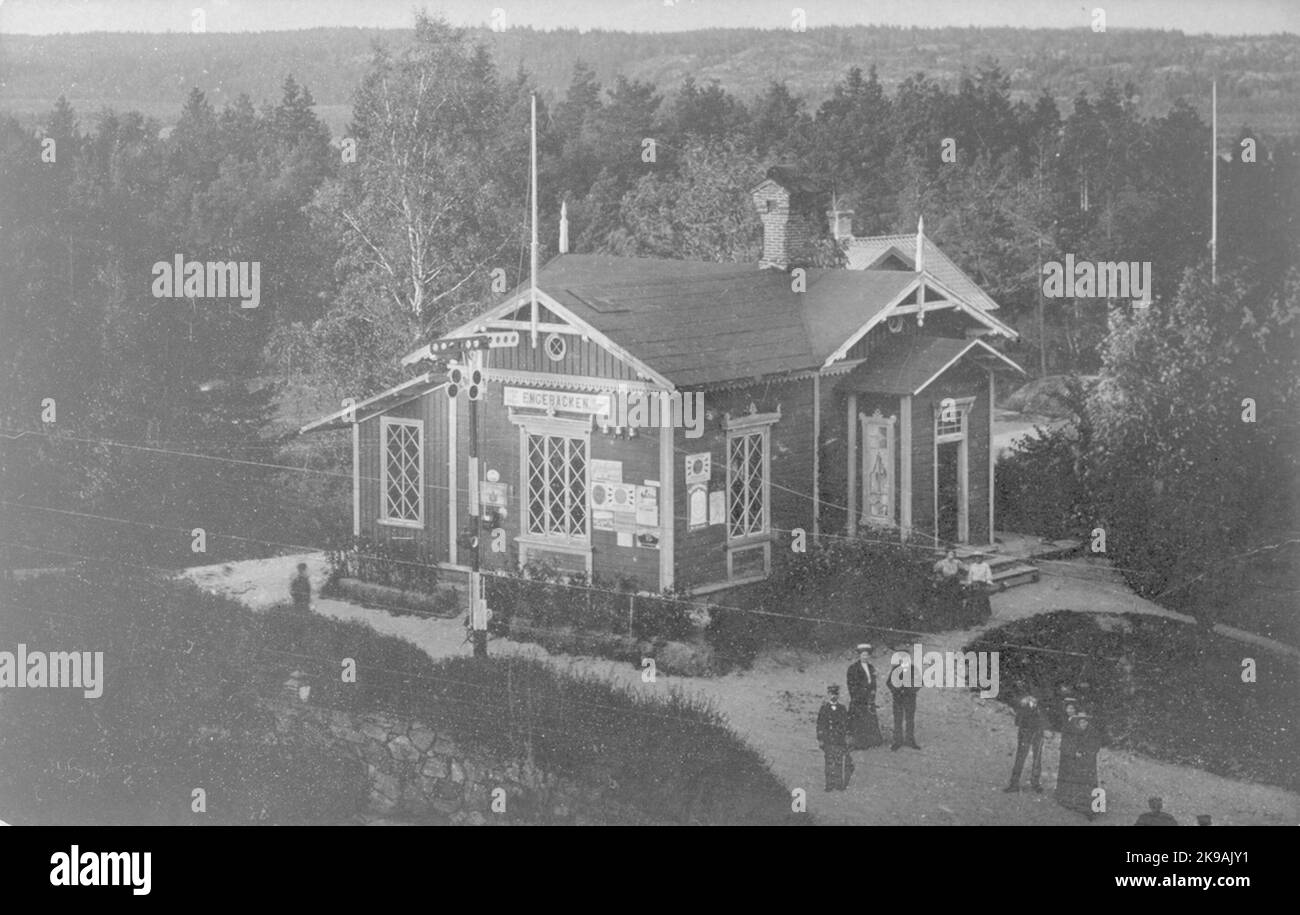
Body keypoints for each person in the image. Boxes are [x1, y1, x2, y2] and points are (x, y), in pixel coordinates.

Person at [1056, 710, 1102, 819]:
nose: (1083, 724)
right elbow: (1067, 745)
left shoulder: (1093, 732)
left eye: (1085, 722)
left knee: (1089, 785)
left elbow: (1096, 746)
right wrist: (1074, 753)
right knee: (1076, 783)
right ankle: (1076, 804)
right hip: (1077, 763)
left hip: (1088, 763)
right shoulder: (1074, 731)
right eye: (1081, 722)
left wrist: (1086, 753)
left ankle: (1091, 809)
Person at [1004, 691, 1047, 793]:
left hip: (1038, 729)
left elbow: (1048, 699)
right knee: (1020, 757)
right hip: (1025, 729)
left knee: (1037, 758)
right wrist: (1023, 699)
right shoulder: (1023, 684)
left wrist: (1036, 700)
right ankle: (1014, 783)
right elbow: (1012, 698)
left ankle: (1035, 783)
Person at [846, 644, 884, 750]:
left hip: (869, 698)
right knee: (858, 720)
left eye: (867, 655)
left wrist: (872, 693)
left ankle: (871, 741)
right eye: (863, 655)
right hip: (858, 698)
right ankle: (859, 742)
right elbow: (851, 684)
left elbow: (873, 683)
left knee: (869, 718)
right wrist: (858, 695)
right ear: (859, 655)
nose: (865, 657)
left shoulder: (871, 668)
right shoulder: (853, 668)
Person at [816, 685, 854, 791]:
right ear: (828, 695)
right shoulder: (824, 709)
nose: (833, 696)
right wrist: (820, 739)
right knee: (828, 762)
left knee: (838, 762)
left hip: (839, 740)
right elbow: (820, 725)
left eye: (835, 694)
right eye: (831, 694)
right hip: (828, 740)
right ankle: (829, 784)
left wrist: (847, 737)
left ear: (838, 695)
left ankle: (838, 783)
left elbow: (846, 724)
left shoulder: (842, 709)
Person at [888, 655, 921, 751]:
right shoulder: (895, 669)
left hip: (910, 699)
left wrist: (909, 690)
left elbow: (919, 683)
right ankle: (897, 741)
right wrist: (897, 690)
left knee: (910, 720)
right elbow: (889, 683)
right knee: (898, 720)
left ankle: (910, 740)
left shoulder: (913, 669)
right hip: (898, 699)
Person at [963, 553, 994, 624]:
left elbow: (989, 575)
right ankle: (974, 618)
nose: (978, 559)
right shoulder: (972, 566)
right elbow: (970, 576)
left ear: (982, 558)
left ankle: (983, 618)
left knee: (982, 600)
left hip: (982, 584)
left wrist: (988, 581)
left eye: (979, 557)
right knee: (972, 601)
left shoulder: (985, 565)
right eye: (976, 558)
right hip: (974, 584)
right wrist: (969, 582)